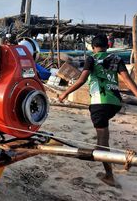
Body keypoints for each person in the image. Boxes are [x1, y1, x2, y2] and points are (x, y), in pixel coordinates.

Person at [58, 34, 137, 187]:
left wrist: (64, 93)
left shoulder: (92, 59)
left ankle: (109, 175)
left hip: (99, 104)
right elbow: (128, 81)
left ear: (93, 47)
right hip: (114, 103)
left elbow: (81, 80)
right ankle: (109, 167)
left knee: (101, 144)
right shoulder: (116, 58)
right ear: (107, 46)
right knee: (104, 137)